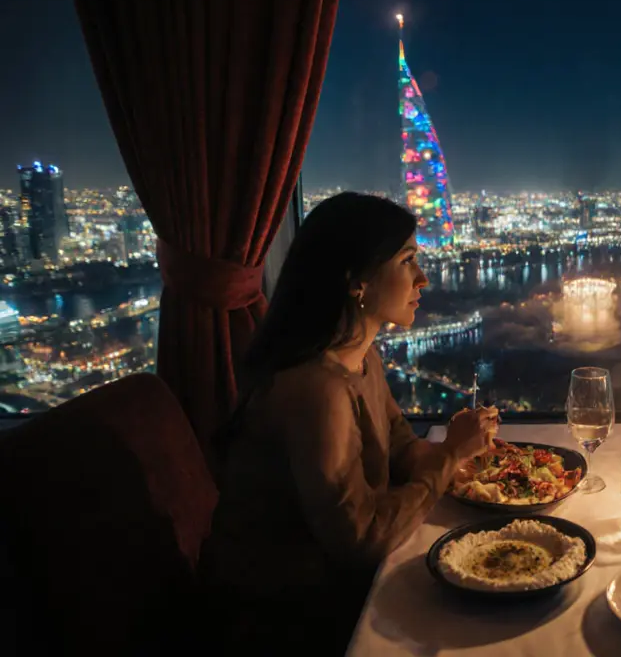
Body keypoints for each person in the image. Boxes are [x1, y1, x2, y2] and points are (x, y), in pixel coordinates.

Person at [201, 192, 498, 654]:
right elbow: (362, 541)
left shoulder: (360, 358)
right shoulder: (317, 389)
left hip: (332, 588)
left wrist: (465, 454)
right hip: (286, 621)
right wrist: (452, 454)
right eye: (407, 261)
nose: (422, 279)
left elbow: (401, 451)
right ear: (356, 281)